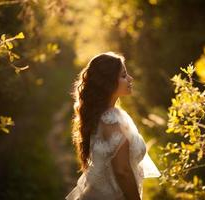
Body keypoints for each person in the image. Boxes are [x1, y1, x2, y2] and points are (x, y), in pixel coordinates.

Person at [65, 52, 161, 200]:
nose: (130, 79)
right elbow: (122, 171)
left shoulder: (103, 114)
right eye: (123, 76)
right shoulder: (111, 120)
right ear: (108, 82)